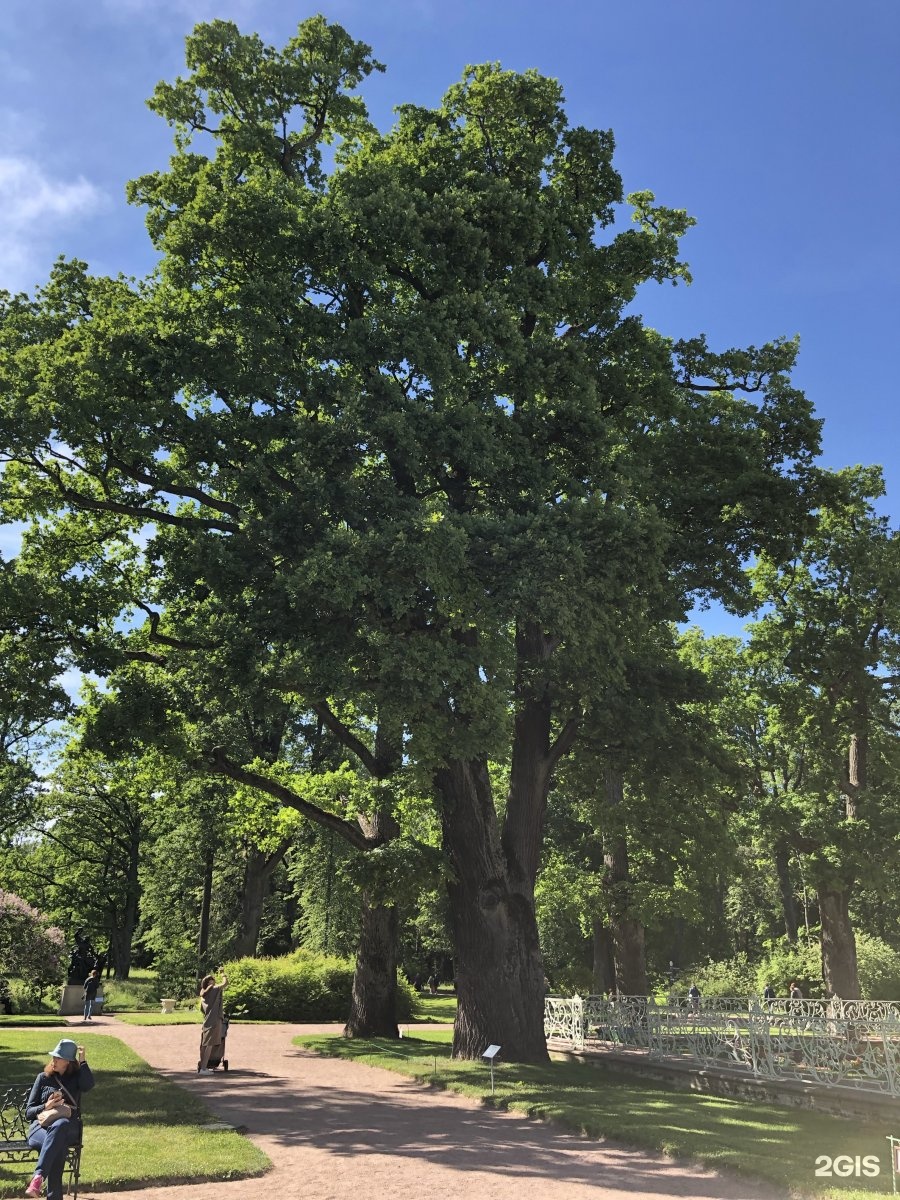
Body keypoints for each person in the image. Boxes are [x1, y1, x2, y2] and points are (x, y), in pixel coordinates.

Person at [25, 1039, 94, 1200]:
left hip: (68, 1128)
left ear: (68, 1062)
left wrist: (83, 1061)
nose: (54, 1060)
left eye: (58, 1057)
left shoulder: (76, 1078)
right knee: (58, 1143)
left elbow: (88, 1085)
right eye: (54, 1056)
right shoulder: (43, 1078)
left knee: (61, 1126)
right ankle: (44, 1185)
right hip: (40, 1129)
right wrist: (46, 1106)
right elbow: (28, 1112)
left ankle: (38, 1178)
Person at [199, 969, 229, 1072]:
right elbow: (225, 983)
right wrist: (223, 974)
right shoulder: (215, 989)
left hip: (207, 1021)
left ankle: (202, 1067)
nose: (215, 981)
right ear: (210, 982)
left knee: (204, 1045)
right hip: (214, 1020)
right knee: (209, 1045)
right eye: (213, 980)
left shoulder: (203, 994)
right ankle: (203, 1069)